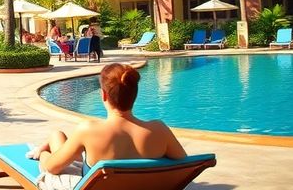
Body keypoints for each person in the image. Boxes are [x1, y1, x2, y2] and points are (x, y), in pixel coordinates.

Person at [27, 64, 186, 189]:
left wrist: (43, 155)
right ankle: (53, 143)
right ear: (135, 95)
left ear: (103, 95)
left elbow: (52, 168)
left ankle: (41, 149)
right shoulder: (158, 129)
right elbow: (182, 163)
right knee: (57, 135)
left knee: (55, 145)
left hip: (95, 185)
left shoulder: (89, 130)